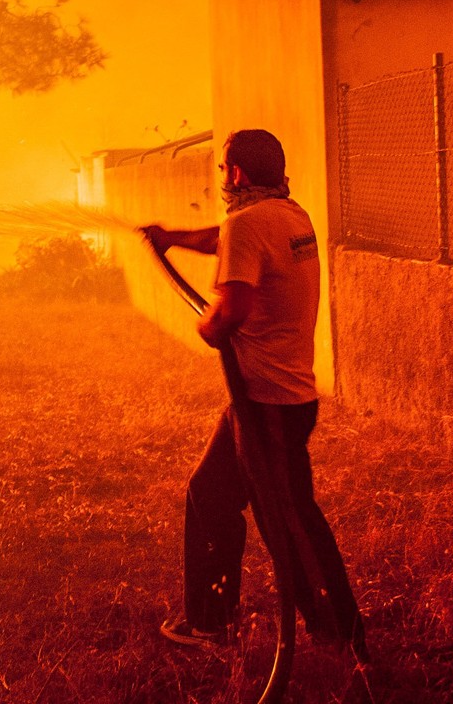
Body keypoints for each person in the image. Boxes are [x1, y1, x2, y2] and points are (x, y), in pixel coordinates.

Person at [142, 128, 366, 658]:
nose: (221, 178)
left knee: (288, 519)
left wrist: (208, 326)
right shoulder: (290, 216)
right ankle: (211, 620)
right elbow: (225, 239)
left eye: (223, 169)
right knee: (212, 495)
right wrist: (172, 237)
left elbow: (231, 312)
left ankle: (340, 630)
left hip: (265, 402)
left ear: (237, 173)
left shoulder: (249, 224)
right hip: (286, 399)